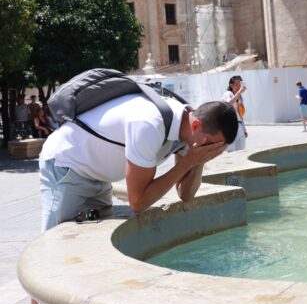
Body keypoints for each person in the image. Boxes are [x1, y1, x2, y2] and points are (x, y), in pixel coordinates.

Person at [39, 96, 238, 233]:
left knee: (88, 243)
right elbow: (138, 202)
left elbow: (186, 195)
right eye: (212, 145)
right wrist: (189, 161)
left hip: (97, 177)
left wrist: (199, 161)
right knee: (55, 255)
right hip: (66, 167)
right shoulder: (149, 125)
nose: (211, 152)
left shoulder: (187, 131)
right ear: (196, 125)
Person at [222, 75, 248, 151]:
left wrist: (244, 129)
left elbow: (240, 115)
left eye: (240, 85)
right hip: (230, 125)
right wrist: (239, 92)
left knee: (241, 150)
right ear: (231, 85)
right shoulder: (227, 94)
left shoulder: (240, 98)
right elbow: (228, 104)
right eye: (236, 84)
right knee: (231, 150)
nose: (238, 86)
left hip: (239, 125)